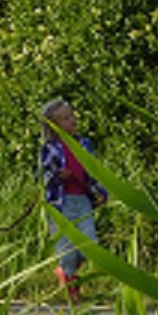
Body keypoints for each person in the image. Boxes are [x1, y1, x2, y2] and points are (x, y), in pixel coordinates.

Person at [40, 98, 107, 302]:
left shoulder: (84, 144)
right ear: (54, 124)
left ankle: (65, 271)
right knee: (66, 247)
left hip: (82, 199)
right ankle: (70, 283)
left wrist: (101, 191)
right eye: (65, 118)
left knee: (89, 244)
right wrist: (57, 176)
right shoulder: (50, 147)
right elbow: (44, 175)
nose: (72, 121)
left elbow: (93, 171)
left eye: (72, 116)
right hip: (60, 202)